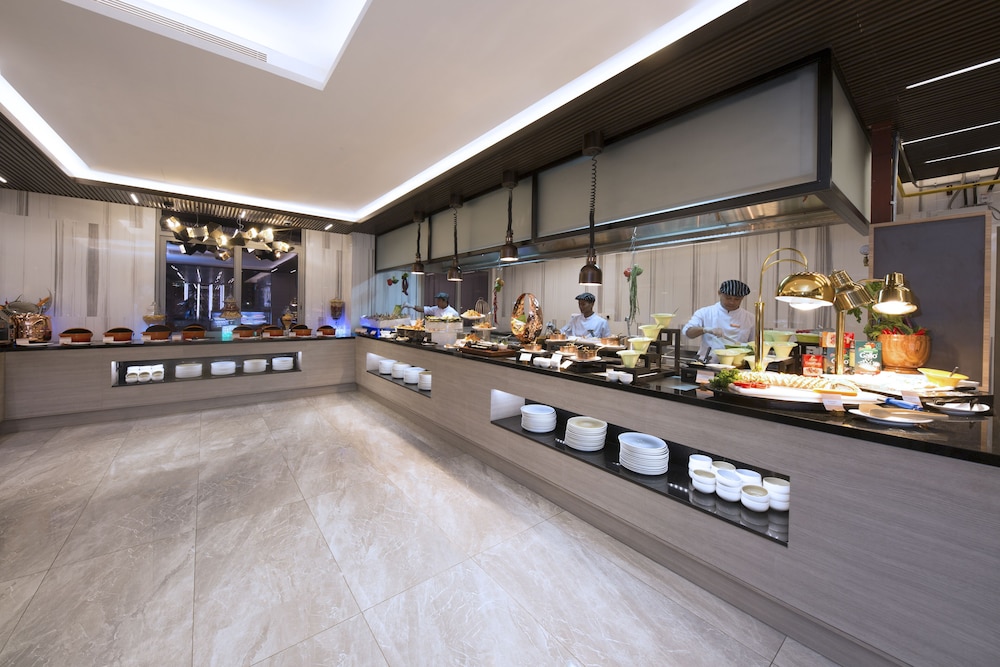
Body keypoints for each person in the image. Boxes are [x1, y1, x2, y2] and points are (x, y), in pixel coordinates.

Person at [682, 279, 754, 362]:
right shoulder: (705, 313)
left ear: (742, 298)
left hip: (738, 364)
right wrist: (705, 329)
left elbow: (754, 345)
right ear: (719, 293)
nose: (732, 302)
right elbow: (688, 333)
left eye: (737, 299)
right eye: (728, 298)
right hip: (708, 363)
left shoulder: (750, 318)